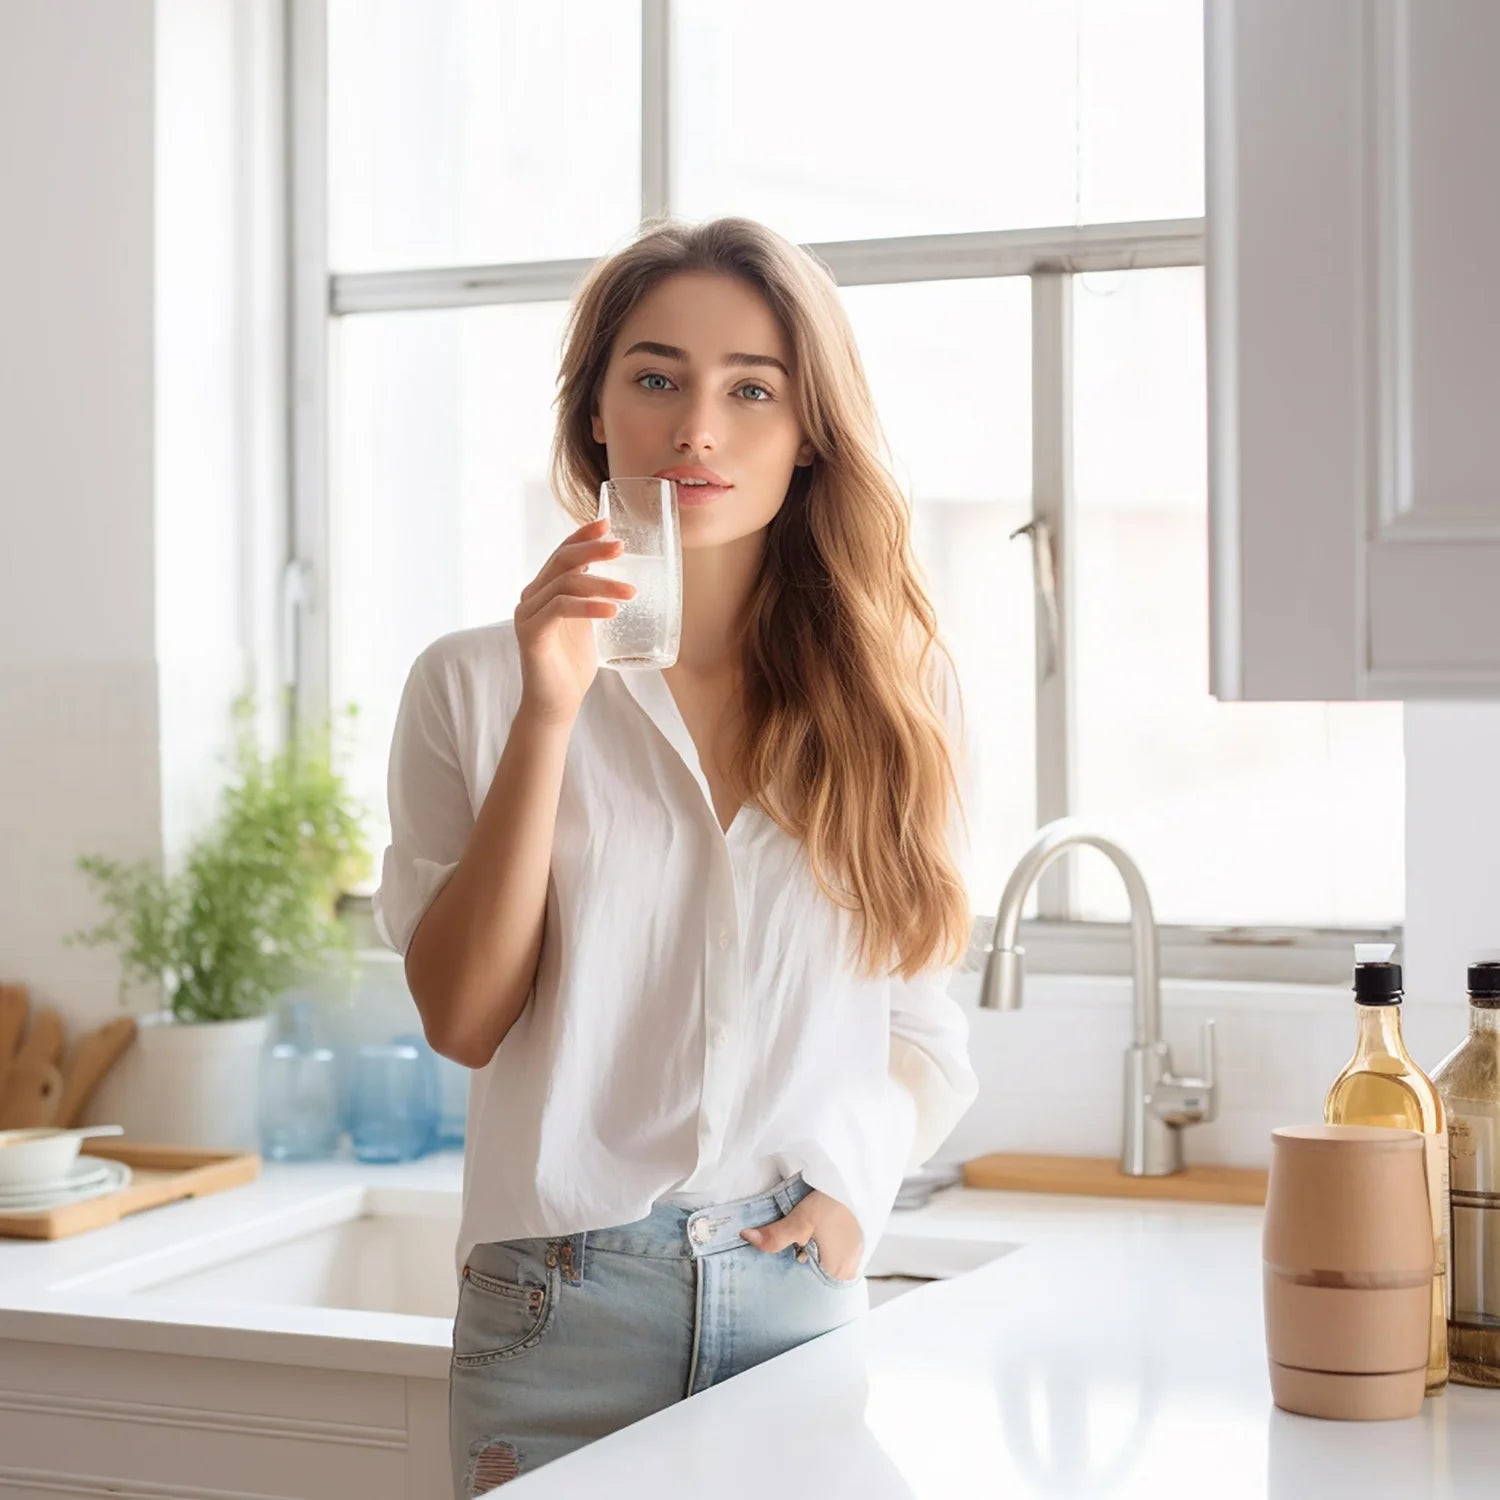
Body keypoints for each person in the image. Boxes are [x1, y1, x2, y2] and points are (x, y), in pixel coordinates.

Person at [372, 216, 981, 1497]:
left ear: (808, 428)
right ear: (596, 410)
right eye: (655, 378)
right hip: (557, 1316)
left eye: (751, 388)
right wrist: (552, 706)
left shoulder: (900, 698)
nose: (697, 427)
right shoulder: (472, 685)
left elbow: (922, 1035)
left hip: (797, 1304)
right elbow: (465, 1020)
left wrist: (855, 1194)